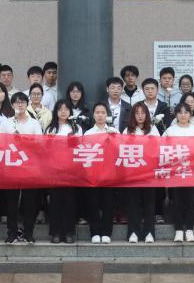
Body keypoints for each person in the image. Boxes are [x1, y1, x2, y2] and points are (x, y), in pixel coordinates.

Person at [0, 91, 43, 244]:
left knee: (29, 202)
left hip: (29, 167)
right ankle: (11, 233)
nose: (20, 105)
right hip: (11, 166)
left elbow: (39, 144)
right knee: (11, 202)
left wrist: (23, 139)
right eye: (17, 102)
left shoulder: (34, 123)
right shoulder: (6, 123)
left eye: (23, 102)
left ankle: (28, 232)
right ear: (12, 105)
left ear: (27, 104)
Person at [164, 102, 194, 242]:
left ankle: (190, 230)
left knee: (191, 200)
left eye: (186, 112)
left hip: (192, 171)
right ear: (176, 114)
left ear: (190, 114)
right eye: (180, 112)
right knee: (177, 200)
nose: (183, 115)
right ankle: (179, 230)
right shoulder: (170, 131)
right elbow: (162, 149)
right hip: (175, 172)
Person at [44, 101, 81, 244]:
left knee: (70, 202)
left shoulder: (76, 128)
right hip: (55, 170)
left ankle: (69, 232)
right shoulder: (51, 128)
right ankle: (55, 233)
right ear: (56, 112)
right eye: (60, 109)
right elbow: (45, 149)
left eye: (66, 109)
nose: (63, 112)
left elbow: (80, 147)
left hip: (71, 169)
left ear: (70, 111)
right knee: (55, 202)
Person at [122, 103, 159, 243]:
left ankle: (149, 232)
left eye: (143, 113)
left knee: (149, 203)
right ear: (133, 115)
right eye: (137, 113)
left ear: (147, 115)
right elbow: (122, 149)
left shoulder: (153, 129)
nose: (140, 116)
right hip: (132, 173)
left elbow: (158, 148)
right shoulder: (127, 130)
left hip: (149, 173)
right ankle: (133, 232)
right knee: (133, 203)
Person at [85, 103, 118, 244]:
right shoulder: (88, 133)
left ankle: (106, 232)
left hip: (109, 174)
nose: (100, 115)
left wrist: (113, 138)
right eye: (97, 112)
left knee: (108, 204)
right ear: (93, 115)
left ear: (107, 115)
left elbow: (118, 151)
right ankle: (94, 232)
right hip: (93, 174)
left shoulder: (113, 132)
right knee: (92, 203)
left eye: (103, 112)